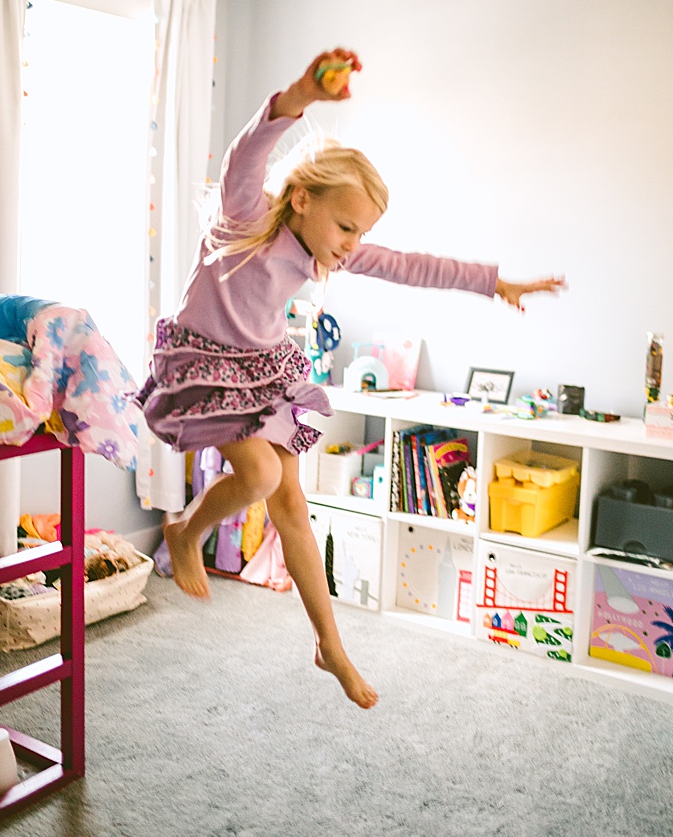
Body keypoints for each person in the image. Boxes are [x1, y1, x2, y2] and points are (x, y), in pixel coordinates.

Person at [136, 48, 563, 708]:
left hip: (263, 372)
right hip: (204, 362)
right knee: (258, 476)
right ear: (302, 198)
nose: (349, 243)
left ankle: (330, 644)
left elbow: (413, 266)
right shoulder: (244, 219)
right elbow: (246, 156)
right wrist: (300, 94)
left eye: (359, 232)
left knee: (292, 510)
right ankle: (186, 530)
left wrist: (492, 281)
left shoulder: (326, 248)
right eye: (344, 226)